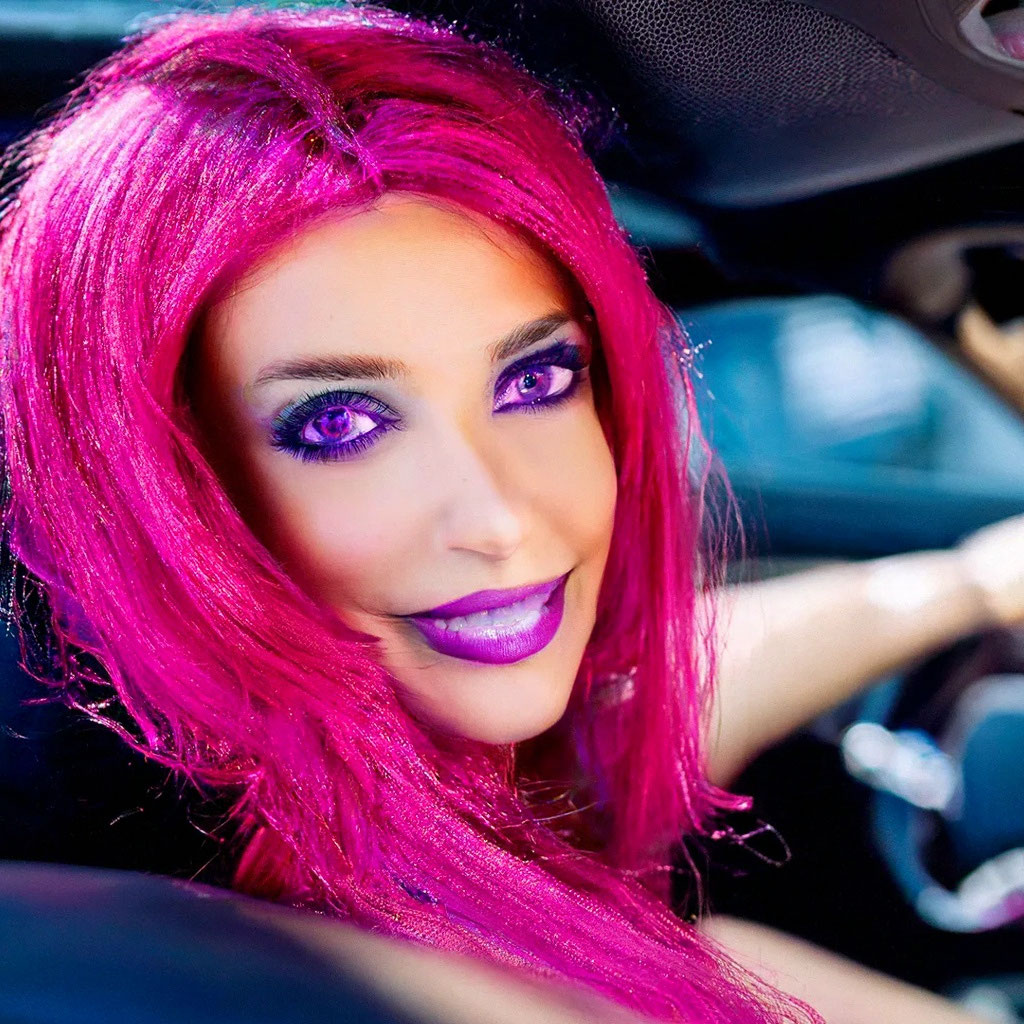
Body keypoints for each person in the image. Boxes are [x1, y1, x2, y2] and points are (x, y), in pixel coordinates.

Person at [0, 5, 988, 1022]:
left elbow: (641, 715)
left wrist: (967, 584)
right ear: (164, 479)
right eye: (339, 424)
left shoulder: (409, 795)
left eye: (535, 379)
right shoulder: (225, 950)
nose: (500, 518)